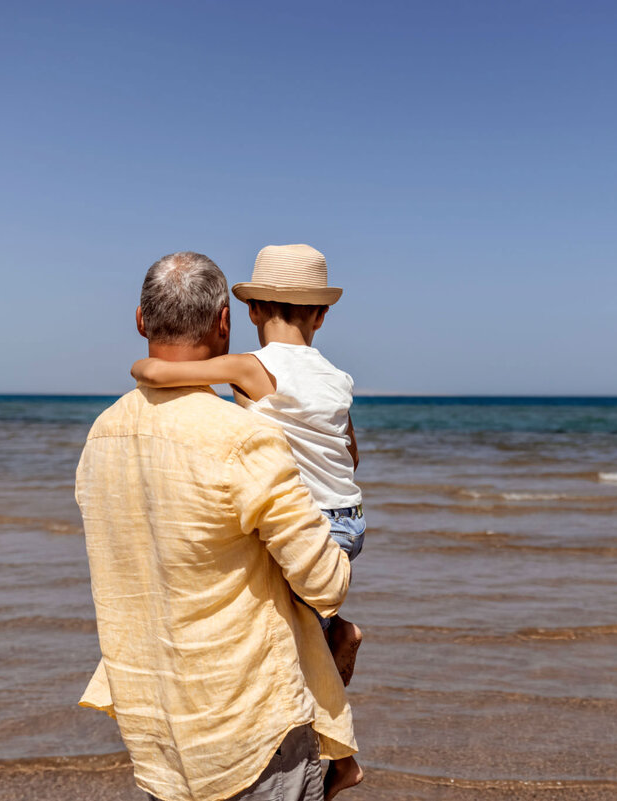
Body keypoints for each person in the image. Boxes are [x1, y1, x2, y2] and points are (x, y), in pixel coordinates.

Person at [76, 251, 356, 801]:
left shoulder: (102, 435)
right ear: (225, 321)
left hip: (155, 726)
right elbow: (326, 584)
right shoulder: (242, 439)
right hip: (252, 730)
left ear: (140, 321)